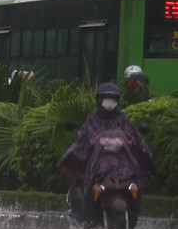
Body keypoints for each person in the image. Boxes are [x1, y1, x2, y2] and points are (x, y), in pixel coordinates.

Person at [57, 81, 153, 216]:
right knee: (68, 163)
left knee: (139, 179)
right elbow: (83, 139)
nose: (109, 101)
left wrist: (132, 144)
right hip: (98, 166)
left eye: (112, 98)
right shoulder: (93, 119)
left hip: (123, 167)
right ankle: (82, 202)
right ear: (99, 100)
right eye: (106, 98)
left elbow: (135, 138)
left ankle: (134, 208)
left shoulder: (123, 119)